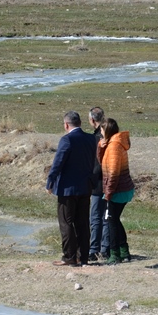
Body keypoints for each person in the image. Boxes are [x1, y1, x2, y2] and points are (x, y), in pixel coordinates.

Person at [46, 110, 96, 267]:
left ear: (66, 125)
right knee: (82, 222)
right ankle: (84, 257)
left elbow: (58, 163)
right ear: (80, 123)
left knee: (66, 223)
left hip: (68, 189)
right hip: (85, 187)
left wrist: (50, 182)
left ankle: (69, 256)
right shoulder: (91, 139)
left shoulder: (67, 140)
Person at [97, 117, 135, 265]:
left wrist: (109, 193)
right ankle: (124, 251)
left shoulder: (114, 146)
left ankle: (115, 254)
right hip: (122, 189)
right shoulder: (113, 144)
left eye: (101, 129)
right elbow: (101, 161)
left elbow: (113, 172)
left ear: (106, 130)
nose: (100, 132)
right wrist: (101, 146)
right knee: (115, 220)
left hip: (118, 190)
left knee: (112, 221)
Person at [88, 106, 109, 262]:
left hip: (98, 183)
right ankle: (105, 248)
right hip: (112, 181)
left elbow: (94, 164)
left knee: (96, 217)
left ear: (92, 120)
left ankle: (94, 249)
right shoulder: (112, 136)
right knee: (107, 216)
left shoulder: (95, 139)